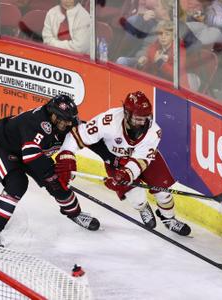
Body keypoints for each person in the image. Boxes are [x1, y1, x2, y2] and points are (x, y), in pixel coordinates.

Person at [55, 91, 191, 236]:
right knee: (136, 197)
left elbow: (141, 160)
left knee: (164, 193)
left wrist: (126, 174)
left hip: (144, 161)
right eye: (138, 118)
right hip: (116, 161)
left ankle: (169, 219)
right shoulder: (109, 121)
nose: (143, 122)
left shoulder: (154, 131)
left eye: (145, 118)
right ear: (126, 114)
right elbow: (78, 135)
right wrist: (66, 157)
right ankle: (142, 207)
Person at [0, 95, 100, 247]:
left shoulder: (70, 122)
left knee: (58, 184)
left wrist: (113, 160)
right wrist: (51, 175)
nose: (67, 124)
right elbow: (31, 156)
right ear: (52, 114)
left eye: (69, 119)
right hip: (4, 147)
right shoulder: (36, 122)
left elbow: (91, 138)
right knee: (17, 184)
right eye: (63, 119)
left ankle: (75, 214)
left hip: (32, 153)